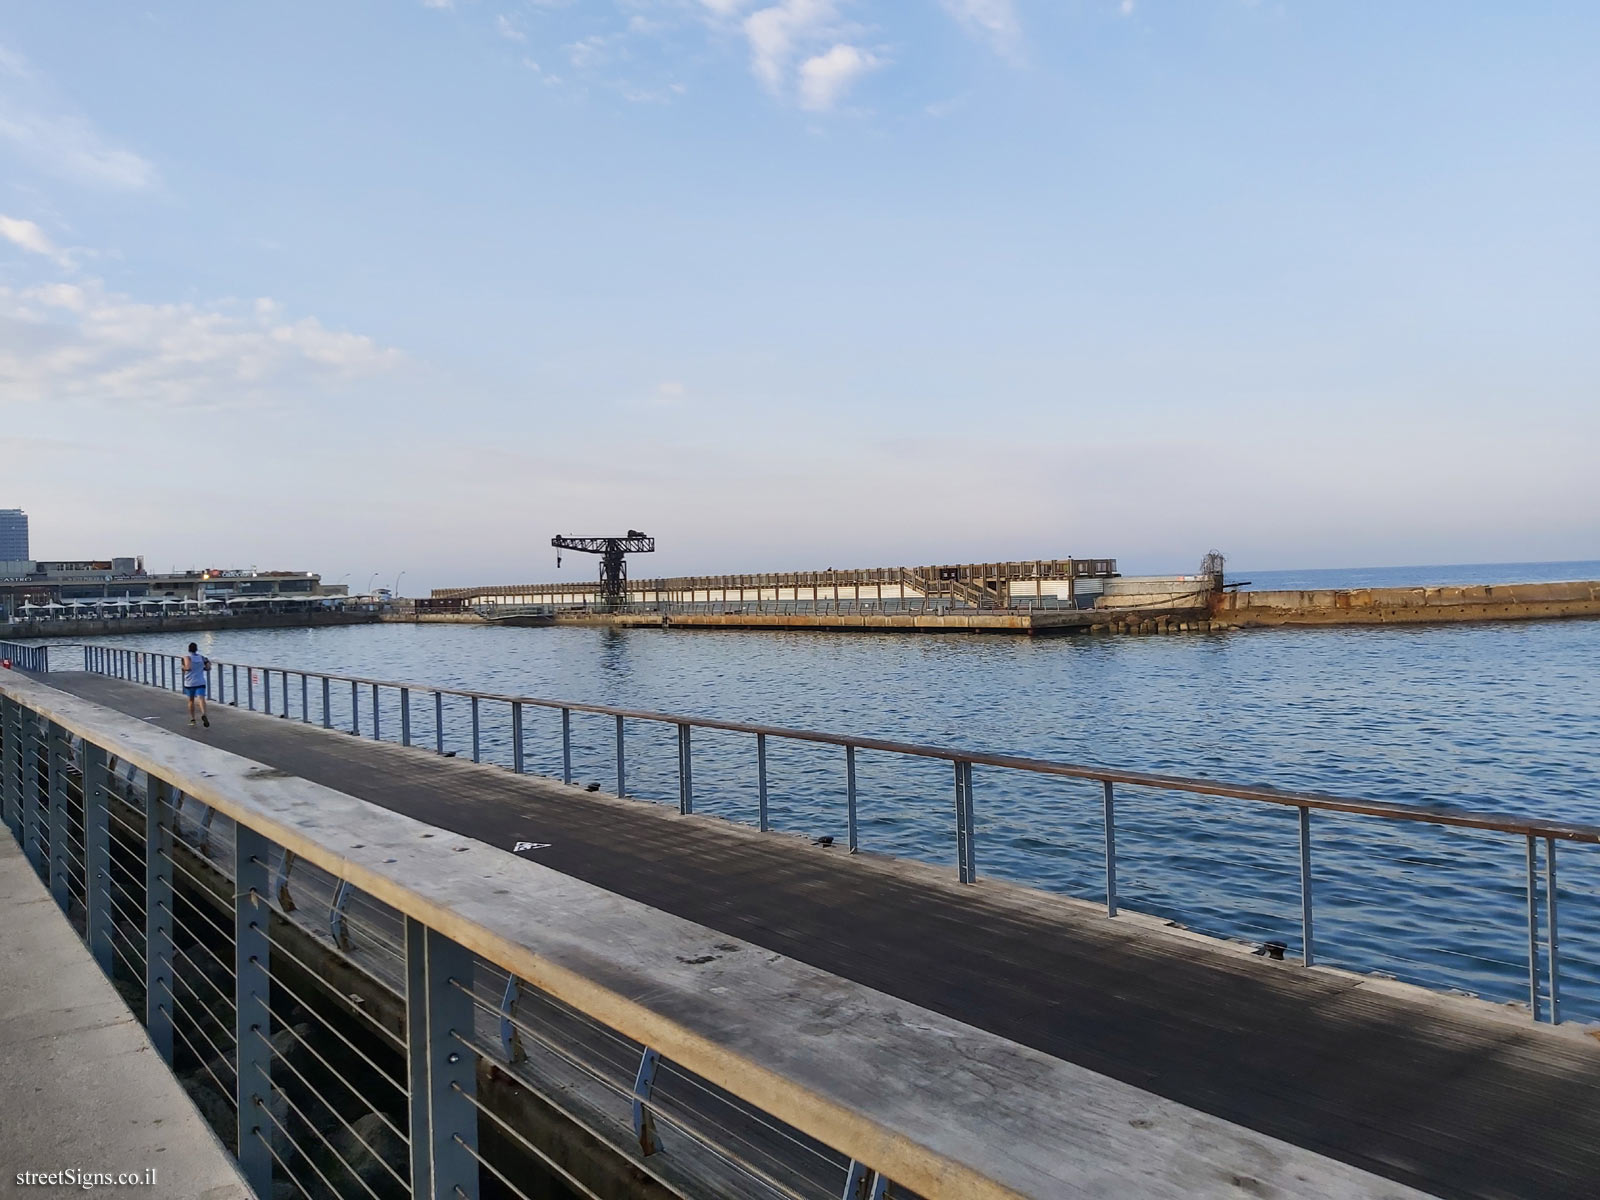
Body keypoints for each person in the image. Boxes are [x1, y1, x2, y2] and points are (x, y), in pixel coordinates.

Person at [181, 642, 210, 728]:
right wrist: (202, 668)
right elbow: (208, 667)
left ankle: (193, 719)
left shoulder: (187, 657)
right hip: (200, 681)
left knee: (191, 700)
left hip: (190, 682)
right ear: (196, 649)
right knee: (201, 699)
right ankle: (204, 714)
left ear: (189, 649)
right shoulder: (202, 658)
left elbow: (188, 667)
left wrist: (183, 668)